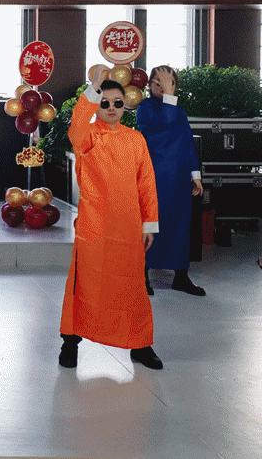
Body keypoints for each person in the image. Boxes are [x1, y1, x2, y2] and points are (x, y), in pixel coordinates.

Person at [58, 77, 162, 370]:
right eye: (104, 103)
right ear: (96, 105)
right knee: (84, 285)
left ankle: (140, 344)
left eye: (117, 102)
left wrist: (149, 224)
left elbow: (146, 183)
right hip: (95, 225)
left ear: (125, 105)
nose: (112, 107)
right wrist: (93, 88)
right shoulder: (87, 136)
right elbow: (77, 124)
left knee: (133, 287)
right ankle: (70, 342)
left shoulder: (135, 139)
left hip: (129, 226)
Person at [136, 65, 205, 296]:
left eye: (170, 83)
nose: (164, 87)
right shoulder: (145, 108)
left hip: (179, 176)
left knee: (181, 225)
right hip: (155, 175)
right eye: (158, 82)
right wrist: (169, 96)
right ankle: (142, 275)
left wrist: (195, 175)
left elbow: (188, 142)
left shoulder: (178, 110)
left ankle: (181, 276)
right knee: (152, 223)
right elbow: (164, 124)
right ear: (149, 85)